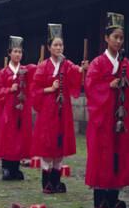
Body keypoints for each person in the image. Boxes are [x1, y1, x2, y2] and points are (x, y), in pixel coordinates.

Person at [84, 12, 129, 208]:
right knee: (102, 155)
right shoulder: (98, 63)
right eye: (115, 37)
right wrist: (109, 85)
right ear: (106, 38)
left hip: (120, 118)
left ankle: (113, 196)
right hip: (104, 118)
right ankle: (100, 199)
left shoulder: (125, 62)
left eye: (121, 38)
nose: (118, 41)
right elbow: (90, 87)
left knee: (118, 154)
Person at [31, 24, 89, 193]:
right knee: (47, 146)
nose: (58, 47)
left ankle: (56, 181)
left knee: (60, 144)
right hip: (48, 111)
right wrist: (50, 88)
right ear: (49, 47)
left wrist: (82, 69)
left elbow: (76, 73)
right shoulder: (43, 66)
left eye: (61, 45)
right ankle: (46, 182)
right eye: (55, 45)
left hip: (63, 110)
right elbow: (34, 90)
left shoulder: (66, 64)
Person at [0, 36, 36, 180]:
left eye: (20, 52)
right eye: (15, 51)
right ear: (9, 53)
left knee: (20, 138)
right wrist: (9, 89)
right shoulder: (3, 73)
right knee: (8, 137)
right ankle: (6, 167)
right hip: (8, 110)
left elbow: (37, 75)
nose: (18, 54)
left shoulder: (25, 70)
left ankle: (16, 168)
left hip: (22, 110)